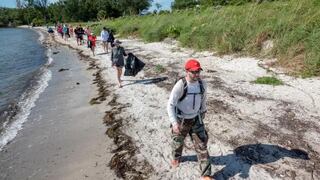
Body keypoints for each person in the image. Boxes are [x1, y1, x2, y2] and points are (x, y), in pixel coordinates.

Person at [167, 59, 212, 180]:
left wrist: (203, 111)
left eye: (198, 71)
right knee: (177, 142)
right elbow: (170, 105)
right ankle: (176, 157)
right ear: (187, 71)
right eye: (194, 72)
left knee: (202, 145)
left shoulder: (202, 84)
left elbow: (203, 99)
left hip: (196, 119)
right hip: (181, 119)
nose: (197, 74)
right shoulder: (181, 85)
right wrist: (174, 123)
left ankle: (206, 174)